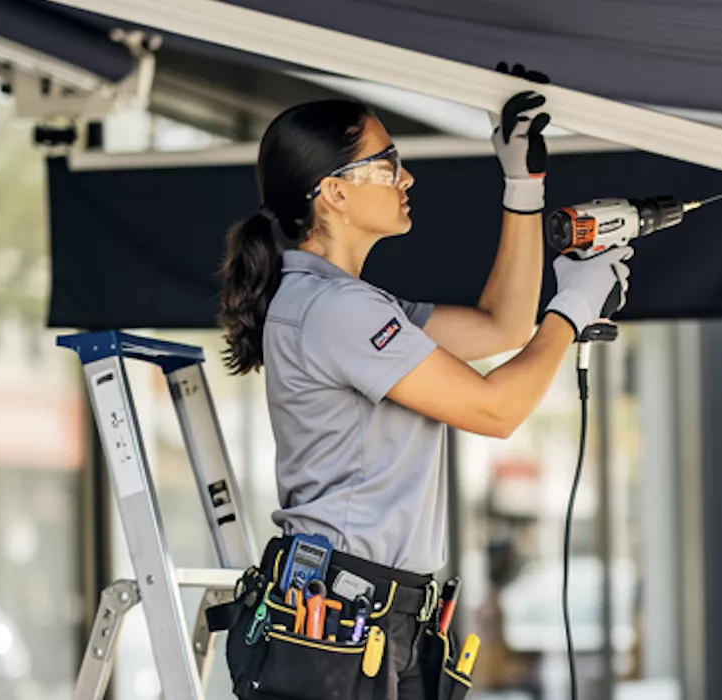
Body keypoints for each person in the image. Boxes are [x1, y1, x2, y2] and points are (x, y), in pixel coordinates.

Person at [217, 68, 635, 699]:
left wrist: (523, 185)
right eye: (386, 163)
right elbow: (496, 412)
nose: (405, 177)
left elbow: (503, 324)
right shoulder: (336, 312)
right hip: (345, 617)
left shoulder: (350, 302)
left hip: (375, 613)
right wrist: (573, 311)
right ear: (333, 191)